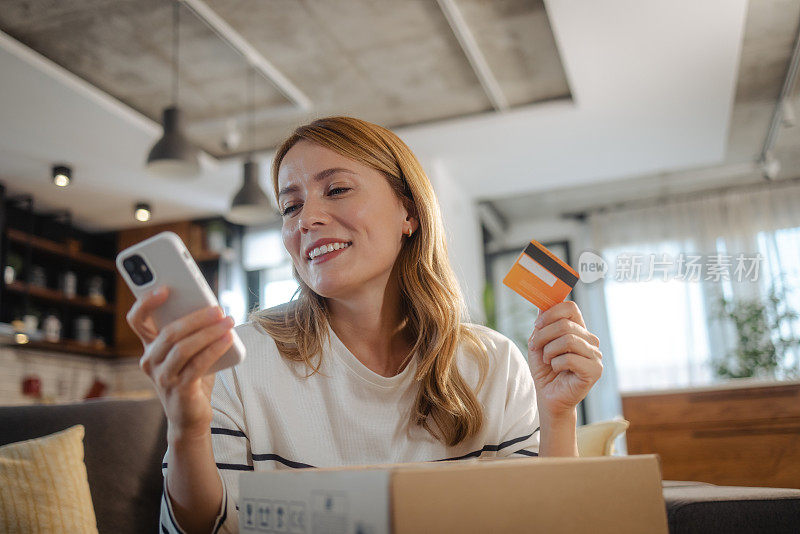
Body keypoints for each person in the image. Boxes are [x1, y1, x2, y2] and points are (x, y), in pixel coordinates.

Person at [127, 117, 603, 534]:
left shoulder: (494, 362)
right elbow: (210, 529)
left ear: (408, 212)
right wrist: (187, 430)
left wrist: (557, 414)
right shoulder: (240, 361)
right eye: (290, 206)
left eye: (336, 190)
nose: (307, 219)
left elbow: (538, 522)